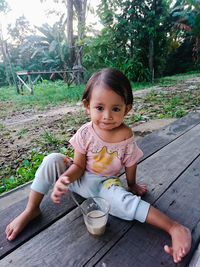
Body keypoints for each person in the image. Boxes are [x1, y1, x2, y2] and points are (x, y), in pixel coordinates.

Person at [6, 68, 191, 263]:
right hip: (79, 177)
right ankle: (31, 209)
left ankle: (174, 227)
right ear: (87, 105)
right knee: (52, 159)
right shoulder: (85, 133)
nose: (107, 116)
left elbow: (130, 163)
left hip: (105, 186)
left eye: (116, 109)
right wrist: (64, 178)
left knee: (125, 202)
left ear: (127, 109)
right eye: (100, 108)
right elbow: (77, 165)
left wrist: (132, 185)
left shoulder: (126, 137)